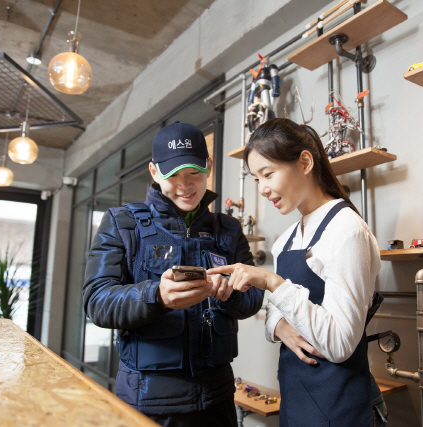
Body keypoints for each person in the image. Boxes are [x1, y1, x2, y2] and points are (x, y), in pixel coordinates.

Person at [83, 121, 264, 427]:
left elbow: (254, 299)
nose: (186, 185)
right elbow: (97, 302)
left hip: (217, 401)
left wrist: (231, 293)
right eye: (173, 175)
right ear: (154, 172)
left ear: (208, 167)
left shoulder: (229, 230)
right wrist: (156, 295)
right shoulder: (122, 223)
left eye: (194, 173)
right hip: (148, 403)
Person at [208, 118, 386, 426]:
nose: (262, 189)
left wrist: (271, 282)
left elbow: (341, 344)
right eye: (256, 179)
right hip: (296, 396)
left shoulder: (347, 231)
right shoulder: (286, 240)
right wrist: (279, 326)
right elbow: (276, 314)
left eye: (268, 174)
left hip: (339, 403)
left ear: (304, 161)